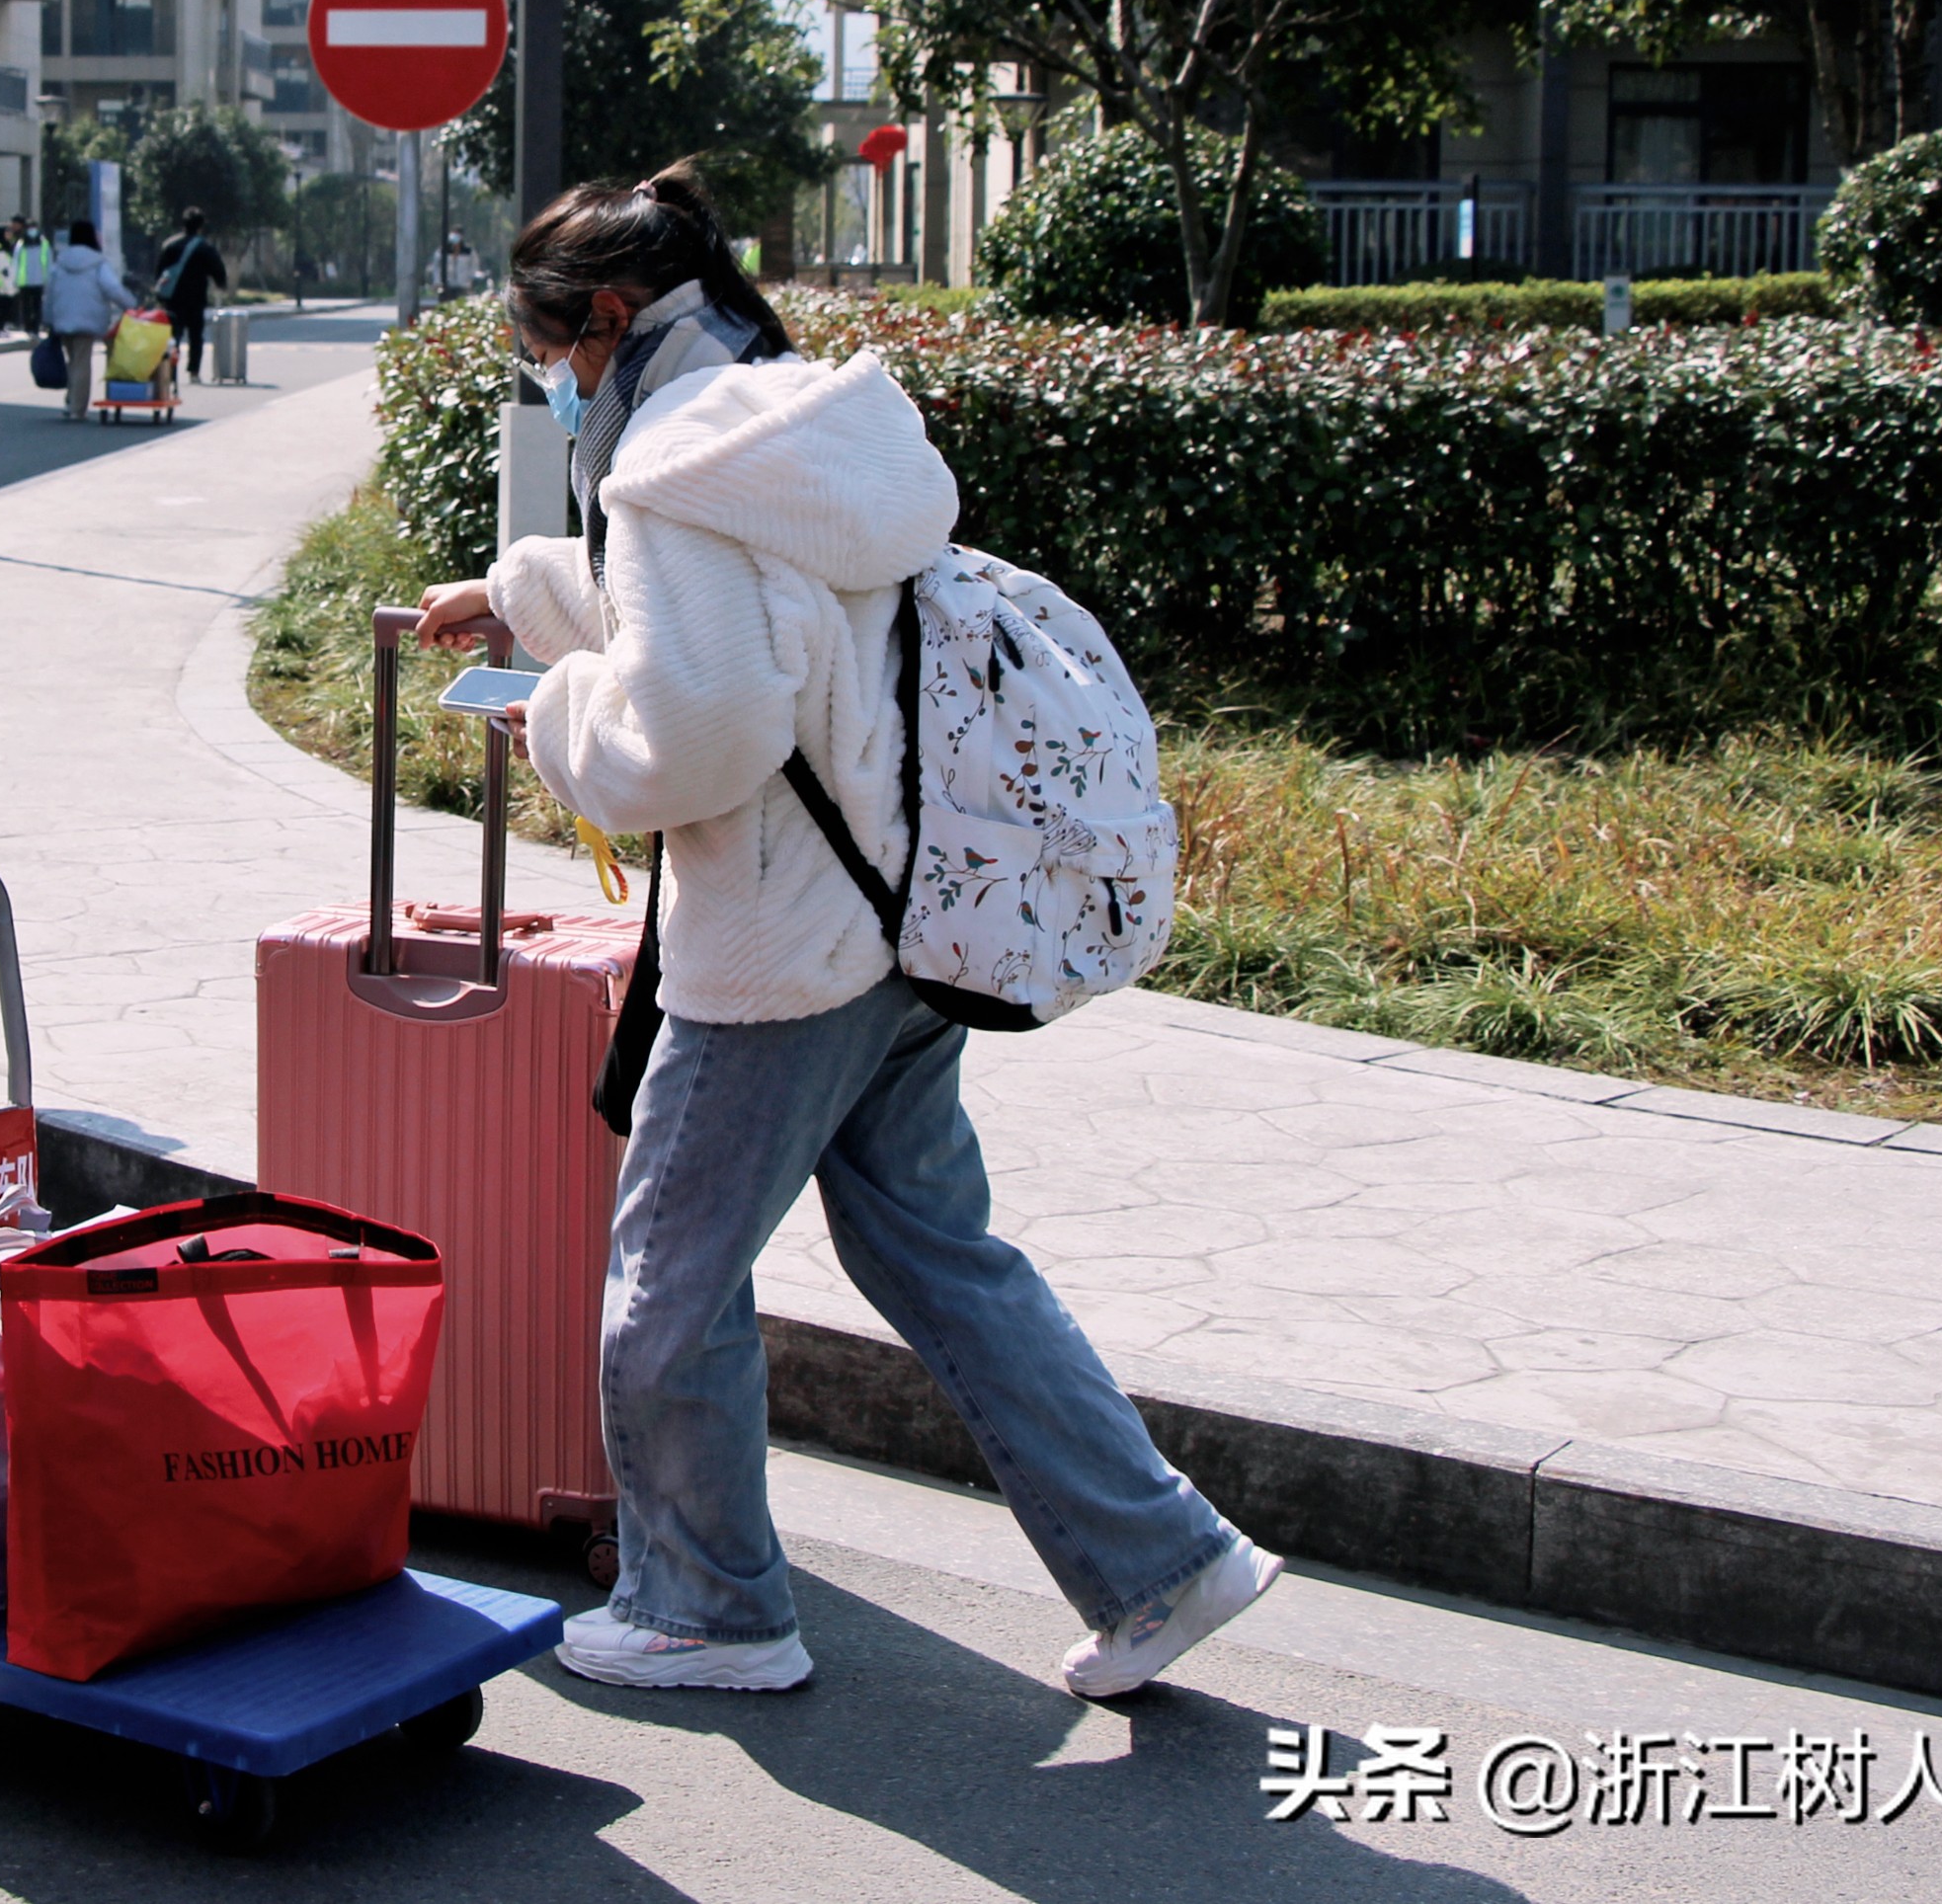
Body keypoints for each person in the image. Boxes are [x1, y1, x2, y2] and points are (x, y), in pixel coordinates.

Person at [415, 164, 1272, 1700]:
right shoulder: (793, 429)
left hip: (779, 958)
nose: (548, 380)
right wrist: (530, 589)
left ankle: (707, 1607)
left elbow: (697, 731)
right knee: (941, 1254)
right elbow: (767, 642)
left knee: (666, 1281)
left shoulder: (664, 472)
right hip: (904, 921)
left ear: (608, 318)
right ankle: (1162, 1558)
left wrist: (550, 709)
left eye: (549, 349)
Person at [37, 217, 132, 423]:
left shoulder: (60, 262)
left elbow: (50, 293)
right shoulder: (98, 263)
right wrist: (132, 306)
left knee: (73, 361)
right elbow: (112, 289)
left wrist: (47, 318)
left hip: (63, 318)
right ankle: (77, 409)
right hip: (88, 319)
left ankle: (71, 400)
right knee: (82, 362)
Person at [149, 204, 230, 375]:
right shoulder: (205, 248)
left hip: (172, 299)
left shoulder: (170, 245)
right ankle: (194, 371)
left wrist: (158, 291)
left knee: (173, 336)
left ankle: (170, 372)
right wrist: (221, 286)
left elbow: (159, 272)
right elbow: (218, 271)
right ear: (200, 226)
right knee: (195, 336)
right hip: (196, 299)